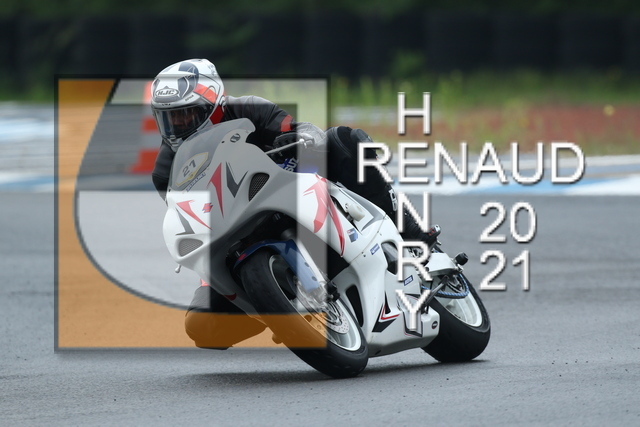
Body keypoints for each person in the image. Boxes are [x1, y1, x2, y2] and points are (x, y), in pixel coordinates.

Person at [150, 58, 439, 349]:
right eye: (169, 117)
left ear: (214, 104)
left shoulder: (249, 109)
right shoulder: (165, 170)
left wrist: (301, 139)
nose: (178, 124)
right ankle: (277, 308)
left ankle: (409, 229)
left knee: (343, 140)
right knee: (202, 326)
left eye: (187, 114)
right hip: (231, 226)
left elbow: (304, 131)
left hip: (286, 187)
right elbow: (187, 216)